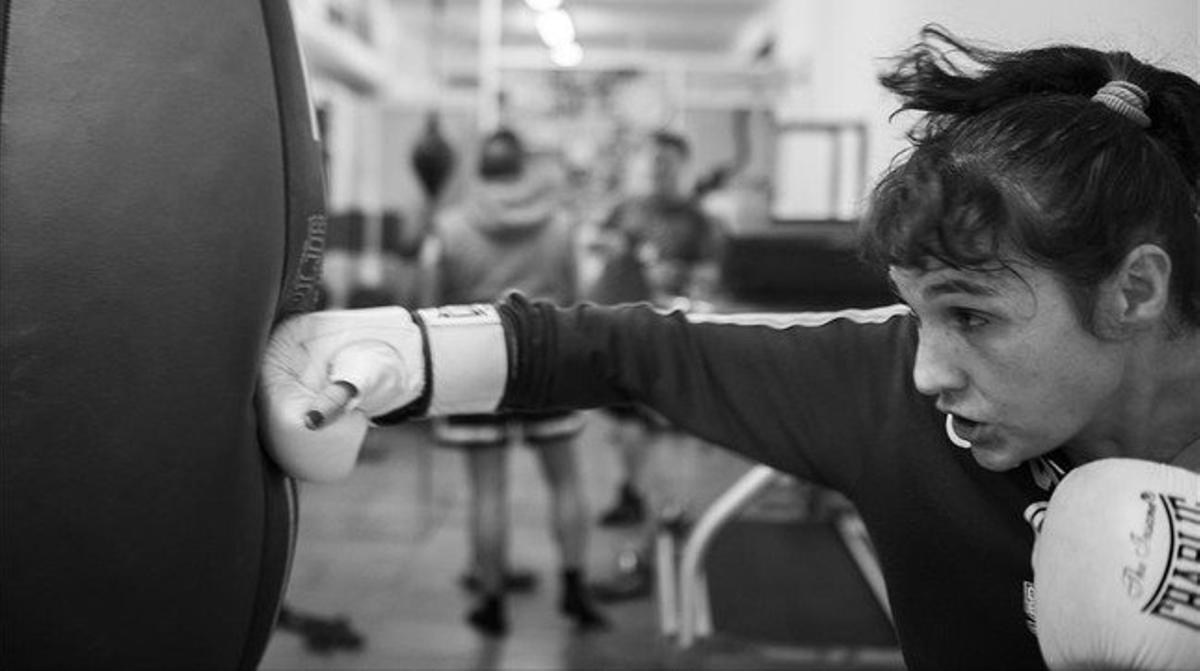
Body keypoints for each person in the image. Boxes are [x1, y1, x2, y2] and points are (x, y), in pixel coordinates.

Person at [260, 27, 1200, 670]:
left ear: (1135, 290)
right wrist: (402, 349)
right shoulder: (891, 399)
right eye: (919, 315)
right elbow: (627, 350)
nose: (928, 371)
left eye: (974, 317)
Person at [429, 128, 608, 636]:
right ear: (523, 169)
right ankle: (575, 587)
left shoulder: (450, 226)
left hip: (474, 361)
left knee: (488, 489)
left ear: (479, 168)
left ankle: (492, 602)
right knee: (566, 479)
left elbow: (431, 302)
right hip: (545, 356)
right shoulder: (558, 226)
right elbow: (576, 297)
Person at [586, 129, 722, 527]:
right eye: (652, 162)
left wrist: (678, 273)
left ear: (682, 167)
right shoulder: (626, 209)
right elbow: (599, 242)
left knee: (667, 429)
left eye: (666, 163)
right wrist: (610, 247)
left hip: (671, 336)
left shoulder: (699, 221)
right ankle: (632, 495)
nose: (657, 170)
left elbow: (710, 277)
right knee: (626, 429)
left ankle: (672, 512)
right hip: (625, 332)